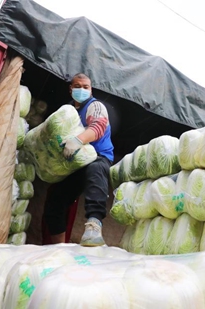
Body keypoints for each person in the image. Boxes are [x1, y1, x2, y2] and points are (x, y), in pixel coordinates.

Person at [44, 73, 114, 246]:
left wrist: (78, 140)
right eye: (78, 86)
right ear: (70, 89)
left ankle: (94, 226)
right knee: (55, 201)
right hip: (75, 164)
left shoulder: (95, 106)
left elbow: (98, 127)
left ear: (91, 89)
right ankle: (58, 248)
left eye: (86, 87)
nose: (82, 90)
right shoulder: (66, 112)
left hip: (98, 157)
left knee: (95, 170)